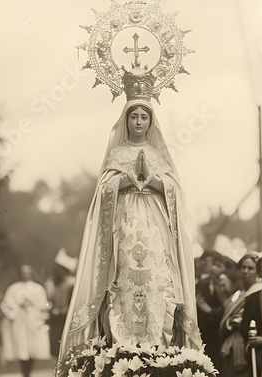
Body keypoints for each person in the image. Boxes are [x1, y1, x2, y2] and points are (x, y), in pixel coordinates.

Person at [56, 99, 203, 376]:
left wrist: (153, 180)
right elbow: (103, 193)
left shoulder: (160, 155)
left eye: (143, 117)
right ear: (125, 121)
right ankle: (123, 352)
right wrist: (125, 180)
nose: (138, 122)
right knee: (123, 284)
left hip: (154, 226)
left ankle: (161, 352)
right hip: (124, 226)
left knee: (158, 285)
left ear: (150, 121)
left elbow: (174, 190)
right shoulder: (117, 154)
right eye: (133, 116)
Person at [0, 265, 50, 377]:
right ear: (19, 274)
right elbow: (5, 305)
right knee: (22, 348)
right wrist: (17, 307)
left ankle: (29, 372)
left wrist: (33, 304)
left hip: (33, 322)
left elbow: (44, 305)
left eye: (27, 272)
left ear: (31, 274)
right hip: (20, 323)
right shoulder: (12, 288)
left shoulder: (38, 289)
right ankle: (25, 373)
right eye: (23, 272)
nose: (25, 275)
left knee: (32, 348)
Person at [219, 254, 262, 377]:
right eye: (243, 267)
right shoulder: (238, 294)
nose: (245, 271)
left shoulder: (259, 291)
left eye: (250, 268)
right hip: (231, 340)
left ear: (258, 271)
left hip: (247, 341)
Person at [44, 248, 77, 358]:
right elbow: (48, 301)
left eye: (58, 269)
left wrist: (61, 311)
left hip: (67, 319)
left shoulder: (72, 283)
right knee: (56, 349)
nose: (56, 271)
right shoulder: (50, 284)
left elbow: (73, 304)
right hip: (55, 320)